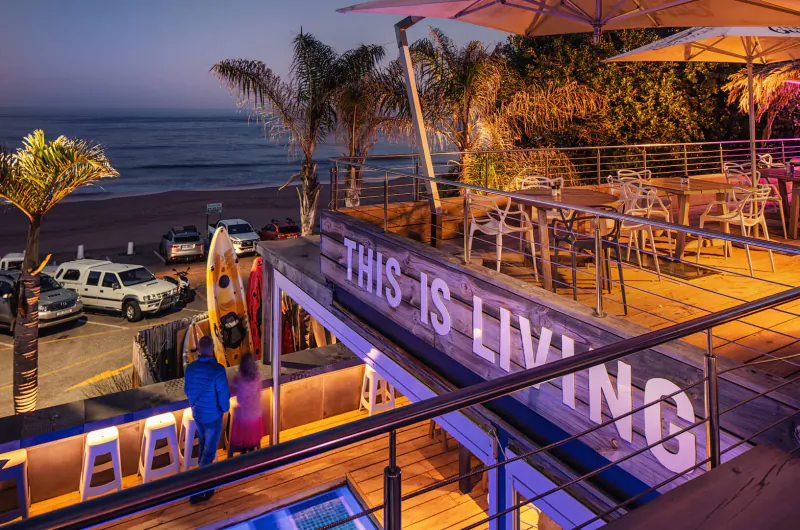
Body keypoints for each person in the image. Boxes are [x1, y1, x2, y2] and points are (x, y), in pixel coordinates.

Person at [184, 335, 230, 503]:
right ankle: (197, 489)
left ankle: (207, 486)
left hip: (198, 414)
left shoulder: (190, 369)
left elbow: (187, 391)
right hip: (213, 416)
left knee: (204, 446)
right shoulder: (218, 370)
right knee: (209, 453)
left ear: (198, 350)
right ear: (212, 350)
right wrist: (224, 409)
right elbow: (223, 395)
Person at [228, 353, 264, 456]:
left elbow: (231, 392)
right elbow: (259, 392)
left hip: (243, 419)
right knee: (252, 442)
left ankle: (238, 452)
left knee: (236, 411)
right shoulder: (258, 376)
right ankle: (251, 450)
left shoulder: (238, 379)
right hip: (256, 417)